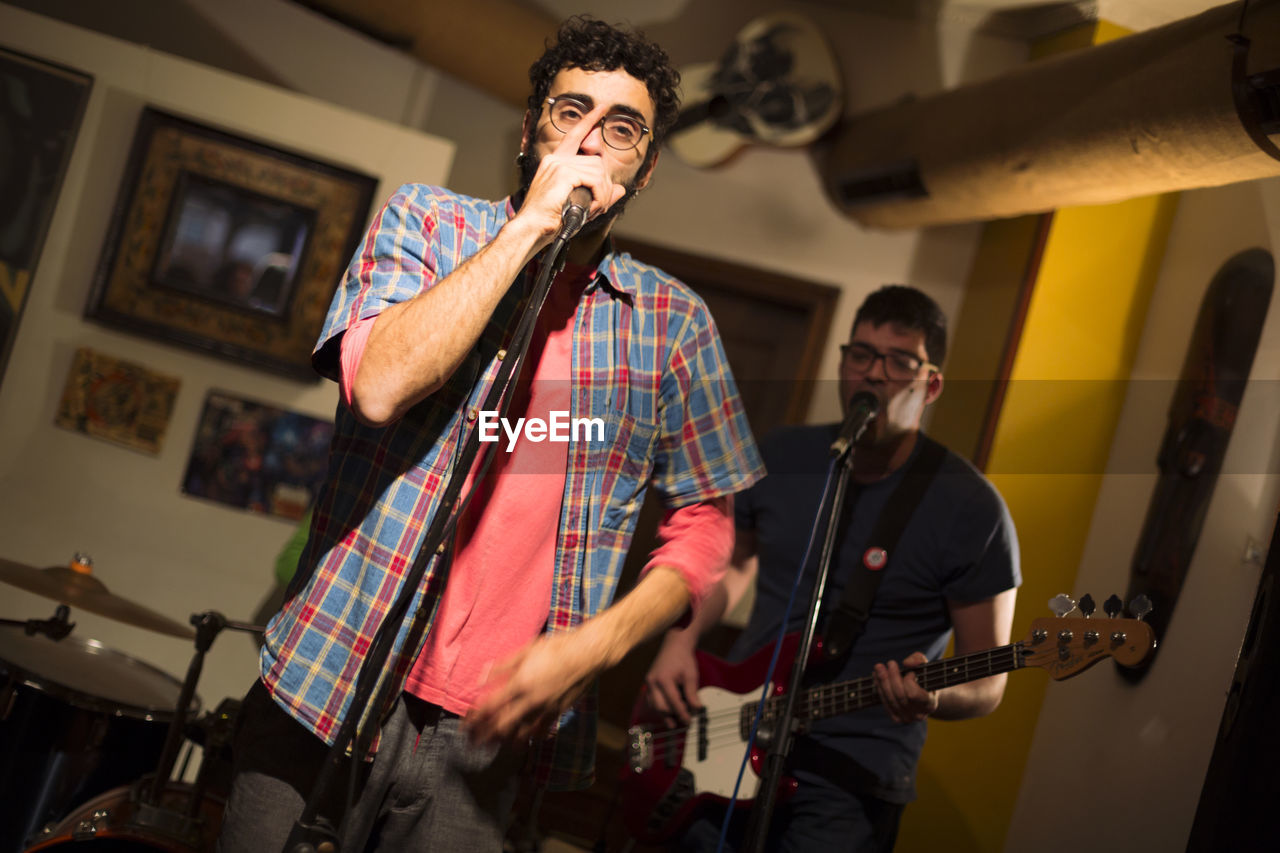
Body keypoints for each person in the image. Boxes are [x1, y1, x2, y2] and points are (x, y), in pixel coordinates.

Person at [216, 17, 763, 853]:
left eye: (621, 129)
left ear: (644, 169)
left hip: (495, 736)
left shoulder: (673, 324)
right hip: (332, 678)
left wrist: (596, 645)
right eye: (568, 111)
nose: (588, 141)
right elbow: (381, 384)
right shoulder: (427, 226)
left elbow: (707, 520)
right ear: (529, 129)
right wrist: (526, 231)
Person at [644, 285, 1020, 852]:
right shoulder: (784, 454)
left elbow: (988, 680)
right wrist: (681, 639)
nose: (875, 373)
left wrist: (935, 698)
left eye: (899, 360)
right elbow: (731, 562)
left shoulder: (972, 509)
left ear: (931, 383)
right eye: (862, 354)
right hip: (733, 738)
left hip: (850, 778)